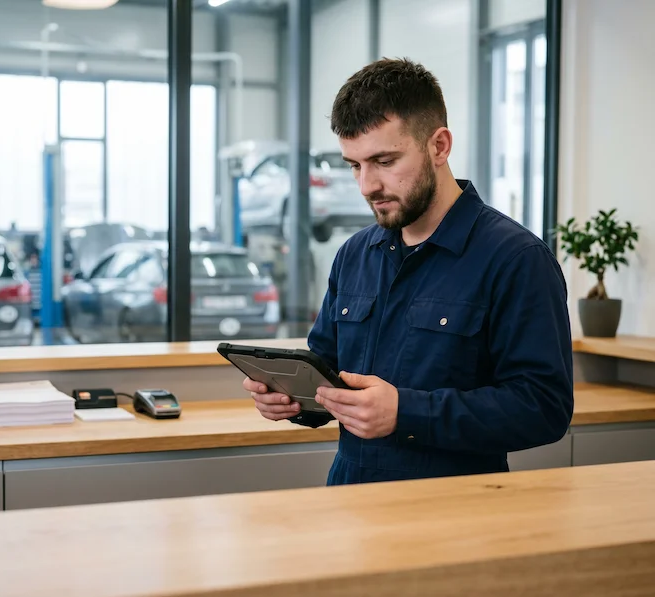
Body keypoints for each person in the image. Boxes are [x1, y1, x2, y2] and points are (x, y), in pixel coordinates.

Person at [243, 58, 574, 485]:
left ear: (439, 146)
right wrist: (292, 400)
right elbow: (327, 372)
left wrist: (405, 412)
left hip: (454, 508)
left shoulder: (516, 258)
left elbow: (544, 408)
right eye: (354, 165)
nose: (366, 186)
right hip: (349, 496)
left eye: (384, 161)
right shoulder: (353, 255)